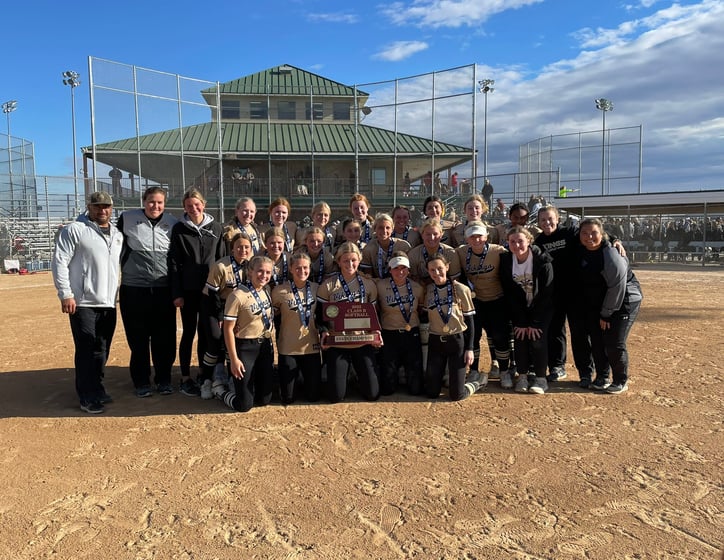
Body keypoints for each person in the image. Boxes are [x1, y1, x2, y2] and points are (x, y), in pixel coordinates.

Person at [51, 191, 123, 413]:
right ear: (89, 207)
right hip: (82, 302)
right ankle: (86, 395)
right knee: (85, 348)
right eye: (97, 206)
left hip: (108, 302)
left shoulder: (117, 235)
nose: (102, 210)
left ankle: (97, 386)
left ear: (111, 208)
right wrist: (66, 294)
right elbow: (60, 261)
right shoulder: (75, 229)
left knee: (102, 348)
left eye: (106, 207)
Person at [116, 186, 178, 398]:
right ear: (144, 201)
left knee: (165, 338)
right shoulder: (126, 219)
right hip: (134, 290)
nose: (155, 206)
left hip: (163, 291)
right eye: (151, 201)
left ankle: (164, 379)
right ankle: (141, 381)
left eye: (160, 202)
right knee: (138, 339)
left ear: (165, 204)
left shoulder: (172, 223)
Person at [169, 188, 226, 397]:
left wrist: (222, 292)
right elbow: (174, 263)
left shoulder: (217, 228)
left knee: (206, 334)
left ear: (204, 204)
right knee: (188, 333)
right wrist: (177, 293)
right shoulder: (179, 230)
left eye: (197, 204)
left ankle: (204, 373)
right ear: (184, 208)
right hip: (188, 291)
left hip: (210, 292)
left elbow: (222, 261)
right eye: (189, 206)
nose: (193, 208)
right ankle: (185, 377)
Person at [575, 218, 642, 393]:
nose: (589, 237)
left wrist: (606, 314)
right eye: (584, 233)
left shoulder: (611, 255)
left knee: (614, 341)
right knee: (597, 339)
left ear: (602, 234)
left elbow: (617, 288)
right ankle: (602, 376)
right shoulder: (581, 247)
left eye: (594, 233)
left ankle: (620, 380)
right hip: (600, 301)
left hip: (624, 300)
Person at [316, 242, 381, 403]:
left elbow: (374, 316)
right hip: (338, 342)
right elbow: (320, 316)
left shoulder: (368, 284)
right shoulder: (328, 285)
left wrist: (376, 333)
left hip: (362, 341)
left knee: (373, 394)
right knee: (335, 397)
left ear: (359, 260)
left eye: (353, 260)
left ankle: (357, 379)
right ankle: (341, 380)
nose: (350, 264)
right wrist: (324, 332)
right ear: (338, 262)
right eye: (345, 261)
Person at [214, 255, 276, 411]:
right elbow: (228, 329)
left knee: (264, 399)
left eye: (268, 272)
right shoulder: (237, 295)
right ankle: (220, 391)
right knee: (244, 406)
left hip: (264, 346)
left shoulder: (266, 290)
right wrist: (234, 359)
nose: (264, 275)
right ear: (250, 272)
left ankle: (246, 387)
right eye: (260, 271)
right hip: (245, 348)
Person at [500, 226, 554, 395]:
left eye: (520, 241)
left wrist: (536, 321)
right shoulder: (506, 261)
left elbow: (547, 293)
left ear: (529, 241)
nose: (516, 245)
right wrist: (522, 321)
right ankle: (522, 376)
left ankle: (540, 378)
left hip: (542, 307)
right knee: (521, 337)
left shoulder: (543, 260)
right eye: (512, 242)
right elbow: (510, 294)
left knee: (537, 338)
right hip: (520, 308)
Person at [456, 221, 510, 385]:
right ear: (467, 239)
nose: (476, 240)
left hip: (497, 299)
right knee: (474, 336)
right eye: (472, 237)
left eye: (479, 236)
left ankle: (504, 371)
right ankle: (473, 371)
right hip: (475, 301)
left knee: (500, 336)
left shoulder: (498, 251)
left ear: (486, 236)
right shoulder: (461, 252)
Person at [199, 231, 253, 398]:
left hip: (236, 308)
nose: (243, 250)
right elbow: (213, 294)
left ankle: (230, 379)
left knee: (234, 341)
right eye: (239, 247)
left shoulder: (251, 266)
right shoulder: (221, 266)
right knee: (215, 342)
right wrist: (221, 316)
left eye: (246, 247)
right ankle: (206, 380)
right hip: (214, 306)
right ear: (232, 248)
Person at [423, 253, 482, 400]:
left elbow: (470, 322)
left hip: (457, 342)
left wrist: (469, 349)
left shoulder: (461, 289)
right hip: (436, 341)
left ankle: (477, 382)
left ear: (447, 267)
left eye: (440, 268)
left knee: (456, 395)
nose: (437, 273)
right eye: (432, 270)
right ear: (428, 271)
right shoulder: (429, 291)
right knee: (431, 393)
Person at [272, 252, 323, 404]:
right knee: (288, 399)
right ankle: (292, 382)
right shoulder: (279, 291)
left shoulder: (317, 289)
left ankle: (303, 379)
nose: (302, 271)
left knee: (313, 397)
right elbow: (268, 315)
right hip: (288, 349)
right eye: (298, 268)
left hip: (311, 348)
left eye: (305, 268)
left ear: (310, 268)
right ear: (291, 269)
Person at [375, 252, 424, 395]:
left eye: (404, 268)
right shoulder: (380, 286)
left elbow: (420, 308)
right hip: (389, 334)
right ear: (390, 270)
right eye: (396, 268)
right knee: (388, 389)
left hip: (411, 334)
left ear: (409, 270)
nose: (400, 272)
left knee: (416, 390)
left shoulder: (417, 288)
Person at [408, 218, 460, 286]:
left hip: (447, 289)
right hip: (424, 290)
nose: (432, 238)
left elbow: (455, 278)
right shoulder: (413, 254)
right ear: (422, 235)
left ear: (441, 235)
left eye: (435, 234)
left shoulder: (450, 253)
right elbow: (413, 279)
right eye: (428, 234)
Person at [360, 213, 411, 278]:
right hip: (378, 283)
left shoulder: (403, 245)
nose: (384, 231)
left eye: (388, 228)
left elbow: (408, 270)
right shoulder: (368, 248)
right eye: (380, 228)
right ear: (375, 229)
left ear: (392, 229)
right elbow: (368, 273)